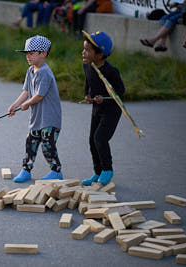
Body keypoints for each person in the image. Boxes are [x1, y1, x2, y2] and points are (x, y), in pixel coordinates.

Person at [8, 35, 63, 183]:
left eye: (31, 53)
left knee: (48, 146)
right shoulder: (30, 70)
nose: (28, 56)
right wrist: (15, 104)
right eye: (27, 53)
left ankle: (56, 171)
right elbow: (26, 92)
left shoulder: (44, 72)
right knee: (30, 144)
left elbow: (39, 95)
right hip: (37, 118)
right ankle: (26, 170)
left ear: (43, 53)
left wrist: (26, 105)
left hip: (49, 118)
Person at [80, 31, 125, 186]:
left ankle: (107, 170)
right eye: (83, 48)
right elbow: (88, 83)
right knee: (92, 141)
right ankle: (97, 172)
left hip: (111, 111)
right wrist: (87, 94)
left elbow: (120, 92)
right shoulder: (88, 65)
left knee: (100, 138)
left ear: (99, 55)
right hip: (97, 110)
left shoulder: (111, 71)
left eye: (87, 50)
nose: (83, 52)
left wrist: (103, 98)